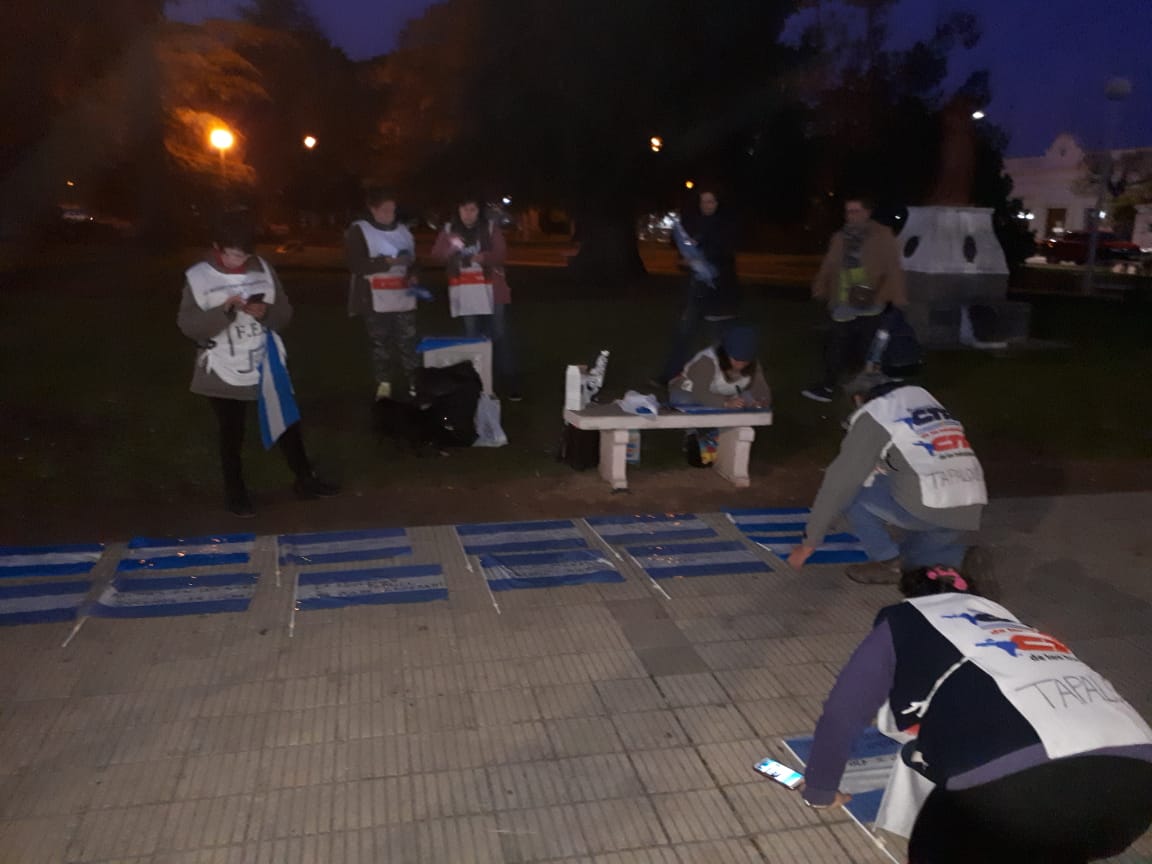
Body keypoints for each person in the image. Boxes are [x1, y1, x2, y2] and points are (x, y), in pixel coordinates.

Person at [797, 564, 1152, 864]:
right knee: (1057, 841)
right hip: (1134, 790)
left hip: (1013, 794)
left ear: (912, 596)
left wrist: (820, 790)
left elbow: (842, 715)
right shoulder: (1021, 628)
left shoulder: (904, 621)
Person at [178, 213, 339, 517]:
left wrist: (265, 313)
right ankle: (235, 493)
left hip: (265, 361)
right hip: (222, 368)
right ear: (217, 246)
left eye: (244, 255)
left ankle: (305, 479)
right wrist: (224, 313)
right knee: (231, 433)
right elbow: (188, 325)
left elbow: (284, 315)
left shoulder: (263, 269)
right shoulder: (199, 277)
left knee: (287, 422)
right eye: (231, 254)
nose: (238, 261)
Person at [788, 370, 984, 584]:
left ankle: (887, 562)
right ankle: (958, 558)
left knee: (853, 491)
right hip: (970, 505)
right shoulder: (923, 401)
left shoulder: (876, 414)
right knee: (911, 561)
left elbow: (839, 484)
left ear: (858, 399)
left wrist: (809, 543)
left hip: (931, 507)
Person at [802, 196, 906, 403]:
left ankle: (870, 389)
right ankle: (828, 386)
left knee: (868, 346)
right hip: (843, 301)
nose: (851, 216)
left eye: (855, 211)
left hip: (872, 300)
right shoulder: (840, 237)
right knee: (836, 344)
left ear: (867, 213)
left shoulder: (882, 235)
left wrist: (893, 296)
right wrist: (820, 286)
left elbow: (893, 268)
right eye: (848, 211)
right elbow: (829, 265)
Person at [431, 197, 521, 400]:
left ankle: (509, 381)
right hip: (466, 292)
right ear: (458, 210)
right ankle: (479, 382)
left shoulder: (489, 228)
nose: (468, 214)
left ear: (479, 211)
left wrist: (484, 258)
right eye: (465, 209)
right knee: (472, 336)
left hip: (493, 291)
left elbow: (501, 253)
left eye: (472, 209)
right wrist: (452, 250)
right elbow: (437, 254)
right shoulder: (450, 230)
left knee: (499, 334)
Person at [658, 189, 741, 385]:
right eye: (703, 202)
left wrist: (705, 262)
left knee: (717, 338)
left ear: (718, 203)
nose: (706, 206)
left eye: (710, 201)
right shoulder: (693, 224)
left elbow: (725, 258)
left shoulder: (725, 226)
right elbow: (682, 253)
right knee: (684, 333)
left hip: (719, 292)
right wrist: (686, 262)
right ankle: (671, 374)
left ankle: (725, 379)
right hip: (696, 290)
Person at [344, 187, 420, 400]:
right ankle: (384, 383)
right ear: (373, 209)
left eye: (392, 210)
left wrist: (414, 274)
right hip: (375, 299)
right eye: (385, 210)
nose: (389, 215)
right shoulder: (360, 230)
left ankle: (414, 381)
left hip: (403, 297)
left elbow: (414, 261)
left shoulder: (403, 231)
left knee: (408, 341)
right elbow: (355, 264)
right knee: (380, 342)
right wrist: (386, 263)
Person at [668, 324, 770, 410]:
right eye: (736, 359)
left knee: (748, 399)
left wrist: (761, 402)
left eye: (745, 362)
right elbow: (700, 393)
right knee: (683, 400)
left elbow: (761, 389)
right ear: (726, 354)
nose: (740, 366)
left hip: (725, 394)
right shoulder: (707, 361)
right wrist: (725, 403)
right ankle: (703, 425)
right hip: (690, 392)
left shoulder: (754, 364)